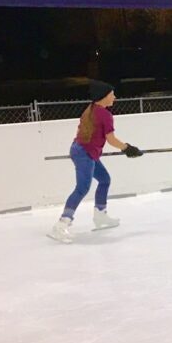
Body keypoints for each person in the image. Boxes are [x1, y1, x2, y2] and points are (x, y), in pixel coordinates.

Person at [48, 81, 143, 243]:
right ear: (104, 96)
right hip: (84, 153)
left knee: (104, 180)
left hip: (83, 150)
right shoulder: (105, 115)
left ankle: (100, 215)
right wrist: (128, 148)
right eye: (112, 94)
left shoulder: (91, 109)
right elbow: (111, 139)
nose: (115, 97)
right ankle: (62, 223)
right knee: (82, 188)